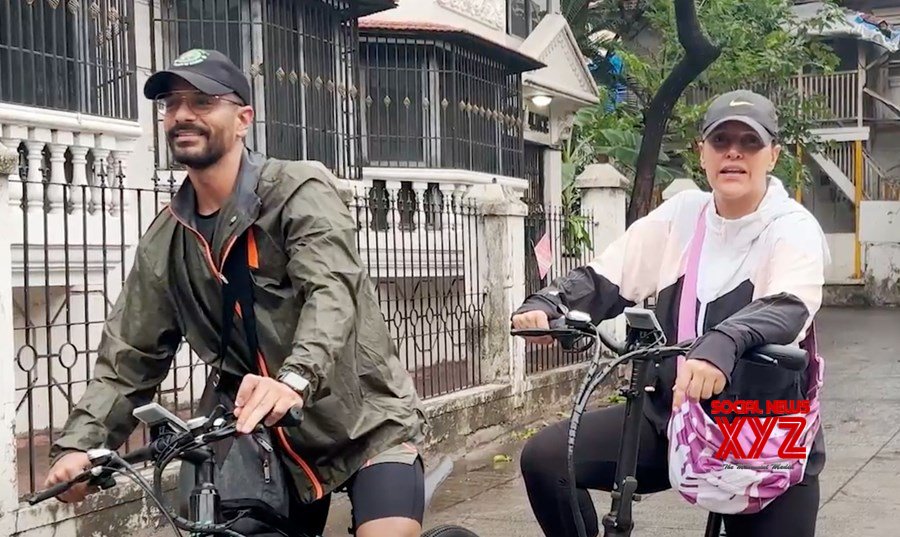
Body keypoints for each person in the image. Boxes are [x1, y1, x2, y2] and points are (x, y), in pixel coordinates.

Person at [43, 48, 428, 537]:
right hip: (258, 439)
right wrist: (81, 445)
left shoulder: (296, 191)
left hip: (363, 421)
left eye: (202, 101)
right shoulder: (168, 239)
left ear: (243, 118)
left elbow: (331, 293)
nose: (182, 114)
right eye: (171, 103)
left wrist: (293, 378)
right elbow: (129, 357)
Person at [511, 90, 829, 537]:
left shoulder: (792, 226)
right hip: (673, 418)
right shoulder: (683, 215)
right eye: (721, 141)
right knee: (547, 459)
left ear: (772, 155)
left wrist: (722, 343)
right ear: (703, 153)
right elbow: (606, 277)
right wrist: (551, 303)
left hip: (761, 433)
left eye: (750, 142)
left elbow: (787, 306)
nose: (734, 152)